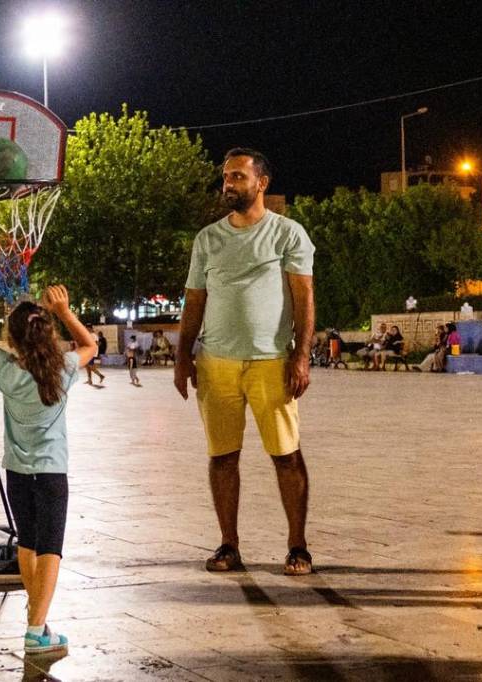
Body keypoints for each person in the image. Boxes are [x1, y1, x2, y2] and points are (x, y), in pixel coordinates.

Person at [174, 148, 316, 576]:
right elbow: (194, 300)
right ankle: (229, 546)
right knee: (223, 456)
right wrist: (183, 356)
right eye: (225, 177)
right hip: (216, 362)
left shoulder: (288, 234)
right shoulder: (208, 239)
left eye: (237, 177)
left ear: (261, 183)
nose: (228, 184)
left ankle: (297, 546)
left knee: (286, 455)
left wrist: (302, 355)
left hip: (271, 360)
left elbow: (304, 298)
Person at [0, 253, 95, 656]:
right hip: (51, 473)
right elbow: (90, 345)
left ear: (12, 339)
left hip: (17, 472)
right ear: (47, 336)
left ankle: (38, 620)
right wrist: (65, 311)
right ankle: (35, 630)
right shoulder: (63, 368)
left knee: (28, 542)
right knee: (51, 546)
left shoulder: (5, 369)